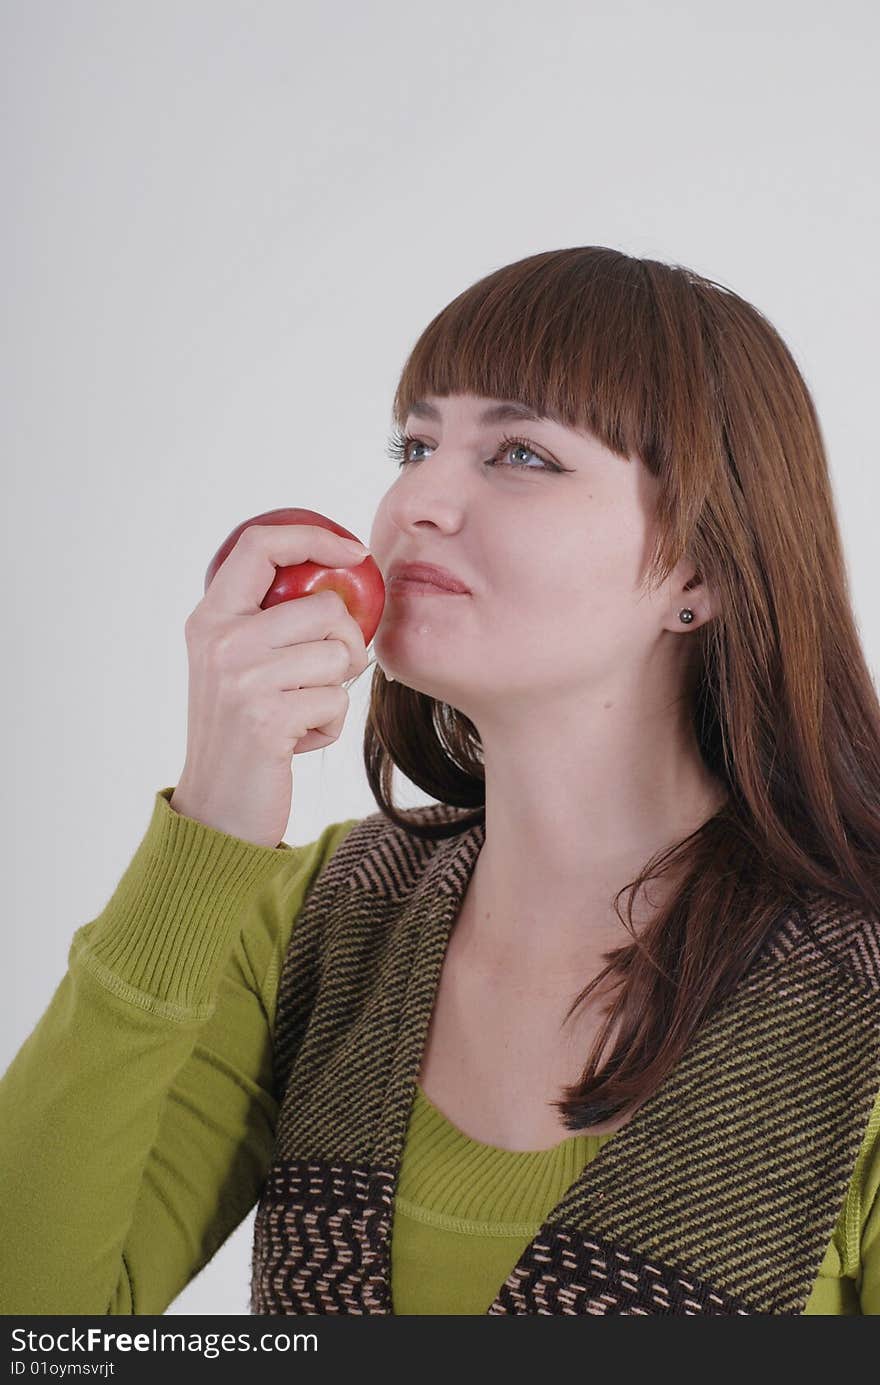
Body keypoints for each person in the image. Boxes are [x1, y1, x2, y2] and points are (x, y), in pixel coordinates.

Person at [2, 246, 878, 1316]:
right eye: (413, 444)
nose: (418, 498)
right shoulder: (316, 922)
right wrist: (212, 822)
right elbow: (39, 1324)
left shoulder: (860, 997)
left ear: (696, 571)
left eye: (519, 453)